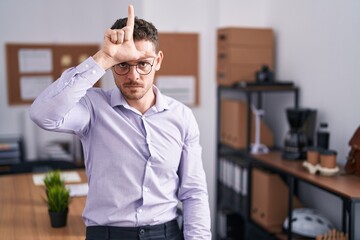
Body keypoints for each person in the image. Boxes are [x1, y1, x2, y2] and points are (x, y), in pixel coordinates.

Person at [29, 4, 211, 240]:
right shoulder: (92, 107)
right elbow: (42, 114)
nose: (133, 76)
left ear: (158, 61)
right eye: (123, 64)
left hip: (166, 233)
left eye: (143, 64)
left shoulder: (182, 116)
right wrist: (102, 58)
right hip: (107, 234)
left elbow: (194, 192)